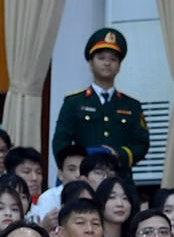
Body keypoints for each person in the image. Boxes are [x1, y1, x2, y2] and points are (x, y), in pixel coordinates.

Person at [50, 27, 151, 169]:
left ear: (119, 66)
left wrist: (120, 155)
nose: (107, 63)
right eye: (101, 58)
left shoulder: (132, 105)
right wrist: (76, 170)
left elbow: (142, 144)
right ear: (91, 63)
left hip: (119, 177)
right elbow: (60, 143)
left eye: (113, 59)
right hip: (84, 176)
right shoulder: (73, 102)